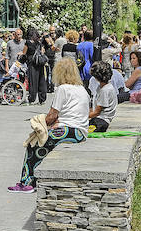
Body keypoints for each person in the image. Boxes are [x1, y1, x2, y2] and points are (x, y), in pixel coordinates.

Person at [8, 57, 88, 193]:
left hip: (68, 130)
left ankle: (27, 182)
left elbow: (52, 116)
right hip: (80, 132)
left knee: (34, 144)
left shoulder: (63, 88)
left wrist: (40, 124)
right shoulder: (82, 89)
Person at [88, 61, 118, 133]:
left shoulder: (104, 90)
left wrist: (83, 116)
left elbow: (97, 112)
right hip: (100, 119)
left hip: (102, 121)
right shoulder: (103, 87)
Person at [22, 28, 48, 105]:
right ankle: (42, 99)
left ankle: (32, 98)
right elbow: (42, 52)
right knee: (41, 81)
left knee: (33, 82)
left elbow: (24, 53)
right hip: (40, 63)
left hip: (32, 63)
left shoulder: (28, 43)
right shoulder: (39, 43)